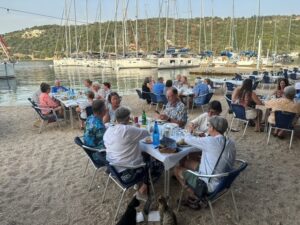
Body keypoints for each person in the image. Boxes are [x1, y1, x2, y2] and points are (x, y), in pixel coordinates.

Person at [175, 116, 236, 207]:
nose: (208, 127)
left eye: (209, 125)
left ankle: (196, 197)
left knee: (176, 169)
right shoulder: (230, 142)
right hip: (222, 177)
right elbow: (214, 145)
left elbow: (187, 139)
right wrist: (206, 138)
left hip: (208, 184)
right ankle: (194, 190)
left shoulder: (210, 141)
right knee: (186, 162)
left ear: (213, 128)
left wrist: (190, 130)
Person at [103, 107, 149, 200]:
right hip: (127, 171)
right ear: (128, 118)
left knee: (138, 152)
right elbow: (146, 133)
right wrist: (136, 127)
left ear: (116, 118)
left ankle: (139, 184)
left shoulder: (109, 130)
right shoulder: (128, 130)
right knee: (155, 162)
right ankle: (143, 189)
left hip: (113, 168)